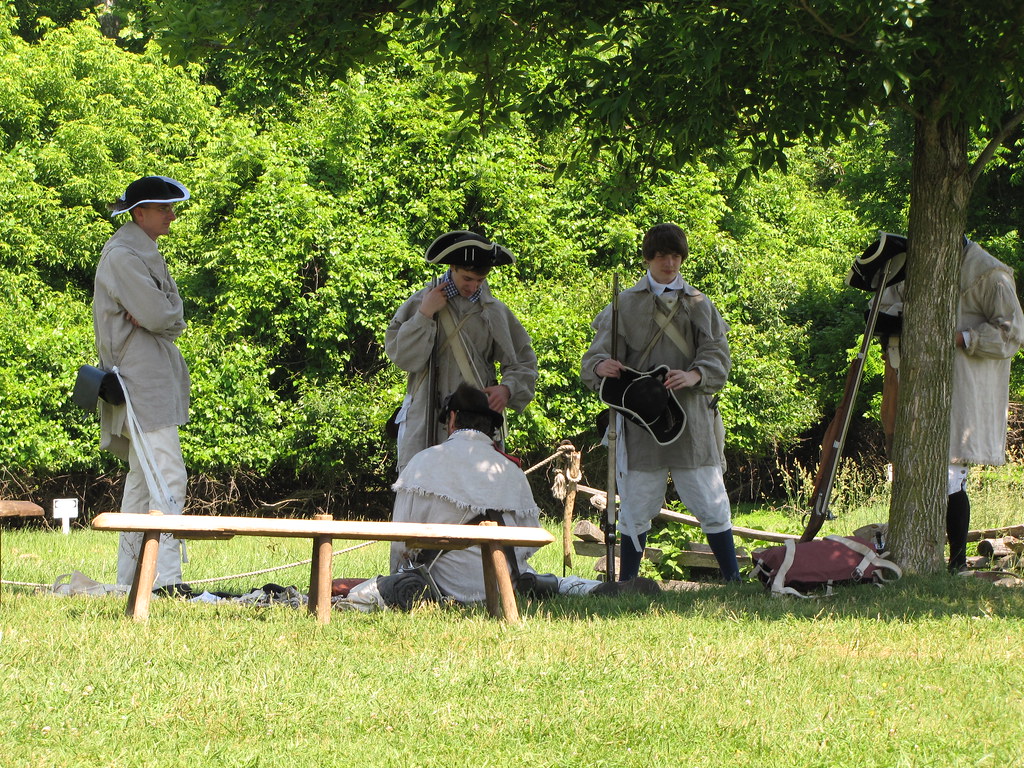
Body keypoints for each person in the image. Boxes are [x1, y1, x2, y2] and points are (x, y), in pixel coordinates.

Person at [386, 383, 658, 604]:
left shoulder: (421, 463)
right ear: (489, 426)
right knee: (552, 582)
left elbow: (400, 541)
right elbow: (528, 544)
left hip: (440, 585)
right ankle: (595, 588)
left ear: (453, 418)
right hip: (504, 585)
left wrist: (397, 578)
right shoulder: (509, 470)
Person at [581, 223, 741, 582]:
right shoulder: (624, 304)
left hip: (692, 418)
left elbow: (718, 354)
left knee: (711, 501)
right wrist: (600, 365)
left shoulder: (699, 303)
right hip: (642, 421)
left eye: (676, 256)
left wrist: (695, 376)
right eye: (662, 256)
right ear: (648, 258)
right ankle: (628, 585)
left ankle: (733, 579)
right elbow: (595, 358)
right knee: (637, 504)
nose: (670, 263)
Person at [877, 235, 1024, 572]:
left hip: (963, 384)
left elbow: (1012, 332)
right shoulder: (914, 263)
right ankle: (923, 555)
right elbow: (886, 304)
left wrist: (959, 337)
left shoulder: (990, 274)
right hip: (913, 381)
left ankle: (956, 562)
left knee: (949, 473)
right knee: (910, 467)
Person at [93, 175, 192, 589]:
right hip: (138, 381)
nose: (171, 215)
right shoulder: (124, 256)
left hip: (148, 378)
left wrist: (166, 312)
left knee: (140, 480)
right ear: (139, 213)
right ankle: (165, 580)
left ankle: (131, 579)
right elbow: (160, 315)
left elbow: (173, 312)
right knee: (167, 476)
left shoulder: (144, 252)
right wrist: (165, 312)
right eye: (163, 208)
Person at [384, 231, 538, 472]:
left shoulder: (495, 311)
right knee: (420, 491)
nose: (473, 286)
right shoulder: (419, 303)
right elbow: (403, 357)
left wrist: (507, 389)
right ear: (452, 267)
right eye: (467, 278)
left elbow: (523, 362)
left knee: (476, 495)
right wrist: (425, 315)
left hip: (475, 422)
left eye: (480, 279)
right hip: (426, 419)